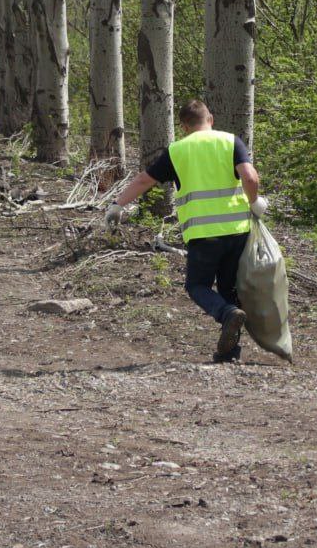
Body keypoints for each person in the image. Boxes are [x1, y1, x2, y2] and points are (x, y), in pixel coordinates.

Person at [106, 100, 267, 364]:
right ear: (210, 119)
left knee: (197, 286)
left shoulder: (178, 150)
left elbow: (144, 180)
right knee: (229, 290)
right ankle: (230, 353)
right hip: (237, 230)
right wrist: (254, 202)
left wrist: (117, 205)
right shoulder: (230, 141)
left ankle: (226, 317)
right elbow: (249, 177)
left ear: (184, 127)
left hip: (203, 233)